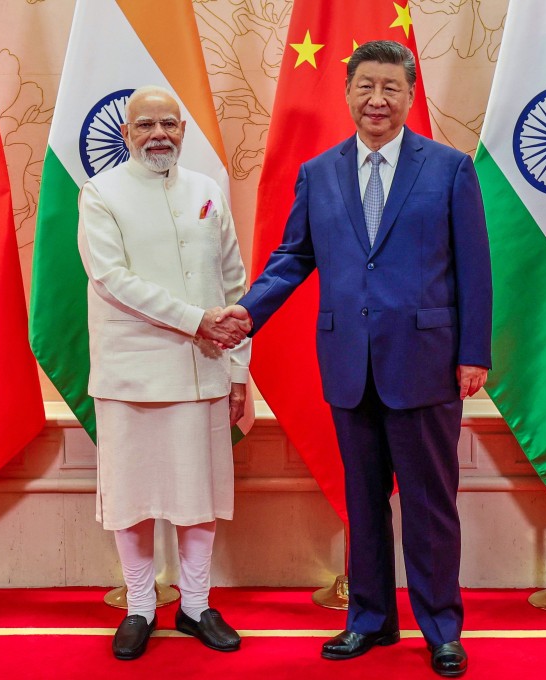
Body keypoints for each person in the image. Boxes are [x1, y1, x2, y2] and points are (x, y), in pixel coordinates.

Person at [219, 40, 492, 677]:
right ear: (346, 93)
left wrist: (473, 352)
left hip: (426, 361)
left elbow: (475, 269)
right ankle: (368, 620)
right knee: (362, 501)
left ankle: (441, 628)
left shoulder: (449, 168)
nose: (377, 100)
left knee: (430, 503)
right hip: (348, 361)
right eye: (365, 86)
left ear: (409, 95)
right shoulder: (319, 173)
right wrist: (248, 311)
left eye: (391, 88)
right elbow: (294, 257)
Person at [77, 86, 250, 661]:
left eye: (169, 125)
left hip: (203, 374)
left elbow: (234, 285)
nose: (159, 134)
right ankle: (139, 607)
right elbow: (111, 279)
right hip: (130, 376)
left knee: (196, 497)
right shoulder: (100, 193)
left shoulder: (206, 190)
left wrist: (240, 370)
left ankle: (197, 605)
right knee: (132, 498)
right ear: (127, 133)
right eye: (146, 124)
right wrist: (197, 320)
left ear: (182, 130)